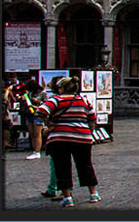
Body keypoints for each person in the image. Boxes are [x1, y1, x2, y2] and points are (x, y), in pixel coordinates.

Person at [35, 76, 100, 207]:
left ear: (62, 88)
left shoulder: (56, 99)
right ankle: (93, 194)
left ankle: (67, 197)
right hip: (82, 138)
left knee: (62, 167)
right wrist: (88, 131)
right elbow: (92, 118)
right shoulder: (84, 100)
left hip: (60, 138)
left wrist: (49, 123)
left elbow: (41, 111)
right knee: (85, 165)